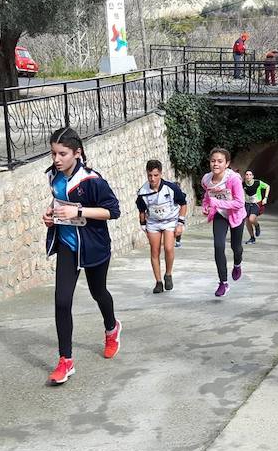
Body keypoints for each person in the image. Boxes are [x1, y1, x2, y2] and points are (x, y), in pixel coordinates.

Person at [42, 127, 121, 385]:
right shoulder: (54, 176)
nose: (56, 159)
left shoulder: (92, 180)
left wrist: (80, 213)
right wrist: (50, 215)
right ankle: (66, 360)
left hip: (93, 246)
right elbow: (59, 203)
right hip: (67, 245)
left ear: (77, 153)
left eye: (62, 154)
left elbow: (113, 211)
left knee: (99, 292)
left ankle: (111, 328)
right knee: (62, 301)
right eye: (53, 153)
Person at [136, 160, 188, 293]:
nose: (152, 179)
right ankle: (158, 282)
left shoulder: (171, 188)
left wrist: (180, 223)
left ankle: (168, 274)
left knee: (169, 248)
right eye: (149, 176)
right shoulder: (142, 192)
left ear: (160, 174)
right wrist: (143, 227)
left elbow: (183, 204)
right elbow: (142, 211)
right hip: (153, 223)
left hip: (170, 221)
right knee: (155, 250)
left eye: (155, 175)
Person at [201, 148, 246, 297]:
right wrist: (206, 206)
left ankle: (237, 264)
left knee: (236, 247)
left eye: (220, 161)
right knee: (218, 246)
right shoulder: (206, 179)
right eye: (213, 161)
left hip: (236, 215)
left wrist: (217, 203)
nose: (216, 164)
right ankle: (223, 283)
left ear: (227, 164)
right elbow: (208, 197)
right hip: (220, 215)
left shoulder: (233, 179)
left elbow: (240, 203)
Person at [242, 170, 270, 244]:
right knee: (247, 221)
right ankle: (252, 238)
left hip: (256, 203)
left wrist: (265, 198)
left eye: (250, 175)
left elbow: (267, 186)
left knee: (251, 219)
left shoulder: (258, 183)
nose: (248, 176)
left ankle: (257, 226)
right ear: (245, 176)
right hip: (247, 204)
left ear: (253, 176)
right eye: (247, 174)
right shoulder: (243, 184)